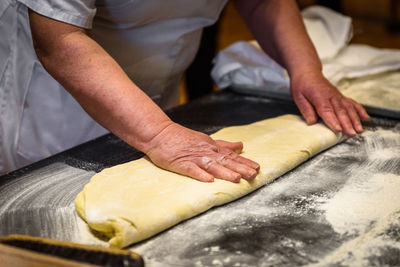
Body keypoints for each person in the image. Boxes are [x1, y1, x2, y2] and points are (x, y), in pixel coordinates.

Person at [0, 0, 369, 180]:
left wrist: (306, 70)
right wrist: (158, 133)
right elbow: (60, 41)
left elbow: (262, 1)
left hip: (159, 92)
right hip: (56, 103)